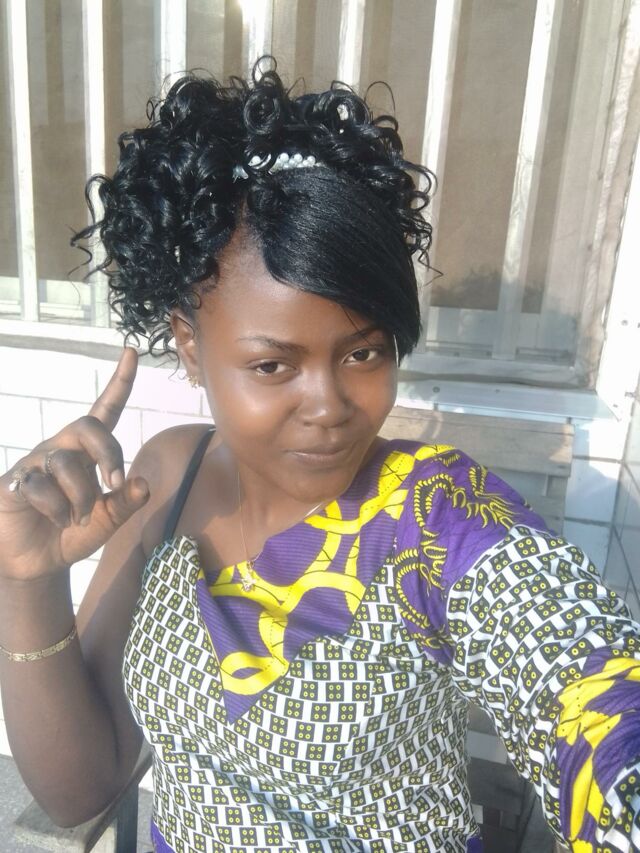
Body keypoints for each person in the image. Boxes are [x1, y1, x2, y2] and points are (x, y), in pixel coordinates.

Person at [0, 56, 638, 853]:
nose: (331, 405)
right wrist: (27, 580)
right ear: (191, 346)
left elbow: (576, 669)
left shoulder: (434, 515)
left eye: (363, 352)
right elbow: (80, 787)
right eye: (274, 365)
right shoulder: (166, 478)